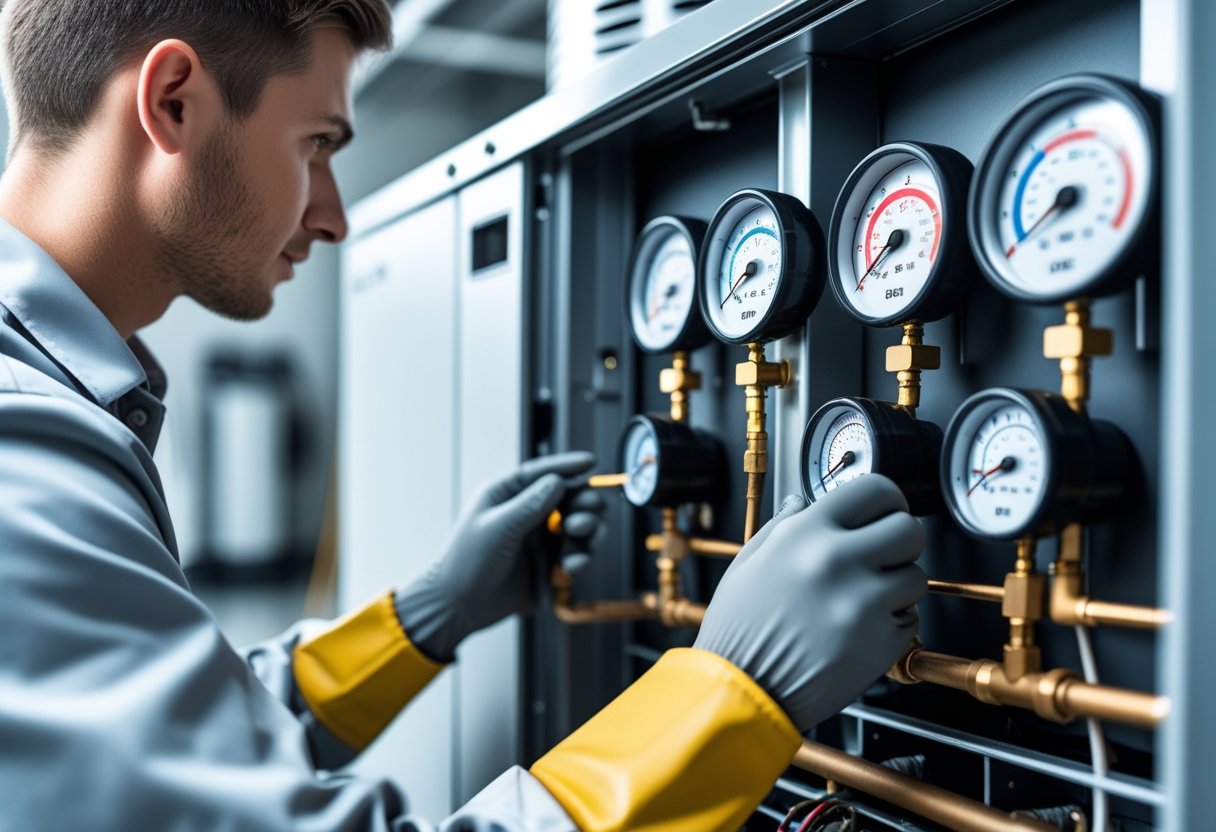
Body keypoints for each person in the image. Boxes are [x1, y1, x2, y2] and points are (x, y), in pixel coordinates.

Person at [0, 1, 927, 829]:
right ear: (172, 103)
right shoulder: (26, 460)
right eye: (315, 145)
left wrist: (427, 615)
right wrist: (732, 694)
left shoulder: (49, 410)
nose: (332, 217)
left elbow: (181, 762)